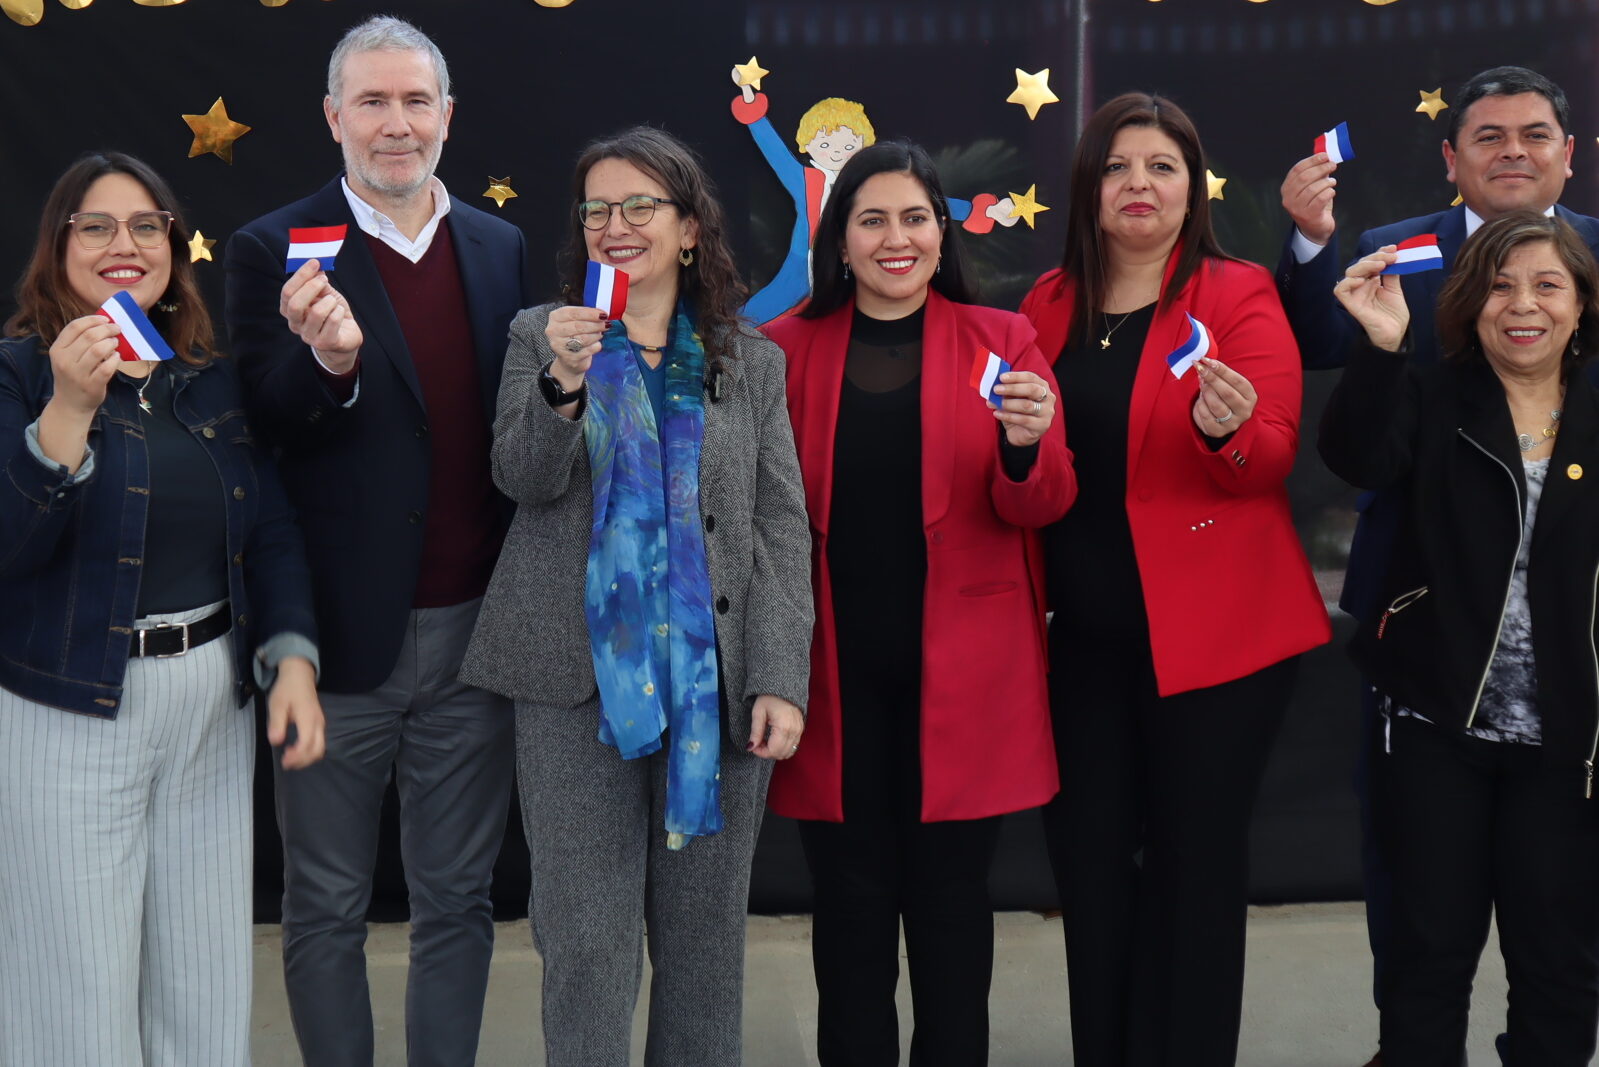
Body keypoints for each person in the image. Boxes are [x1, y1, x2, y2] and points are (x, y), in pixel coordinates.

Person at [458, 125, 813, 1067]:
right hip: (573, 688)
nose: (616, 225)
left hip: (718, 685)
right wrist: (563, 386)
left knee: (703, 951)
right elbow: (522, 480)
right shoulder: (543, 333)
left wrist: (781, 674)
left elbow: (779, 531)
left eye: (640, 206)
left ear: (689, 228)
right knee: (586, 944)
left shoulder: (751, 360)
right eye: (598, 209)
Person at [1276, 67, 1599, 1066]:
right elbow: (1347, 395)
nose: (1524, 304)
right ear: (1452, 157)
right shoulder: (1403, 267)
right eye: (1488, 136)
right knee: (1423, 940)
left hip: (1570, 703)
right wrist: (1326, 264)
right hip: (1430, 666)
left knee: (1559, 953)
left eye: (1534, 134)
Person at [222, 15, 529, 1065]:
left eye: (414, 102)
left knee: (458, 899)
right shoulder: (275, 247)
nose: (395, 124)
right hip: (336, 643)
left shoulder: (498, 245)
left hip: (473, 637)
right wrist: (333, 367)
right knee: (324, 906)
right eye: (372, 102)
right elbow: (262, 435)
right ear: (332, 117)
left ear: (447, 116)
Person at [1018, 92, 1330, 1067]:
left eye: (1161, 166)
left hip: (1219, 642)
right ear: (1089, 187)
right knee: (1092, 872)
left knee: (1196, 873)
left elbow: (1274, 455)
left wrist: (1226, 430)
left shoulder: (1234, 293)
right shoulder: (1046, 302)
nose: (1139, 184)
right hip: (1085, 643)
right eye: (1118, 166)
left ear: (1192, 186)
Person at [0, 151, 324, 1065]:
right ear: (58, 247)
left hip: (209, 708)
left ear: (173, 248)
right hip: (68, 706)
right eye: (95, 226)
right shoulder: (20, 373)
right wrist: (67, 409)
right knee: (74, 987)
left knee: (204, 978)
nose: (124, 245)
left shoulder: (205, 378)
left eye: (146, 226)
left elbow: (270, 528)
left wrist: (292, 655)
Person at [763, 140, 1075, 1065]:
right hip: (829, 677)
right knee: (850, 906)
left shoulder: (1003, 339)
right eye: (872, 220)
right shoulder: (782, 349)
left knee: (949, 904)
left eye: (913, 218)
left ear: (940, 232)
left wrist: (1025, 448)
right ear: (841, 240)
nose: (895, 239)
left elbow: (1045, 501)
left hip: (967, 677)